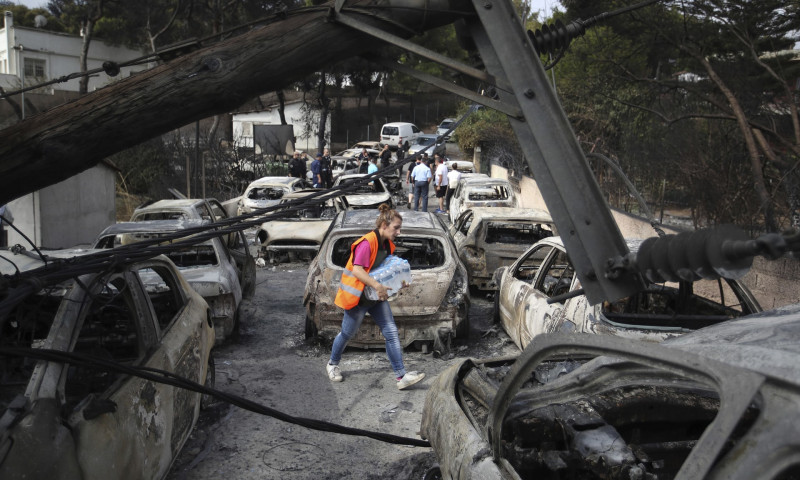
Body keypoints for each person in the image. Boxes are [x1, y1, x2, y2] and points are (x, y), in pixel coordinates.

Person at [327, 204, 425, 390]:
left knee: (391, 332)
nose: (398, 231)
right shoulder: (366, 243)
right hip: (358, 299)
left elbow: (383, 270)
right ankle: (332, 364)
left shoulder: (386, 244)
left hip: (374, 297)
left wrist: (399, 282)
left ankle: (401, 376)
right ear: (384, 225)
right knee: (347, 333)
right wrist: (378, 286)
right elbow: (357, 270)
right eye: (396, 227)